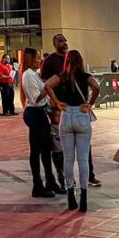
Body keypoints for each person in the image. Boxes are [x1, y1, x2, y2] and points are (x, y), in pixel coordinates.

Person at [44, 49, 99, 212]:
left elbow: (47, 85)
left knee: (68, 159)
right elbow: (96, 87)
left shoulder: (62, 76)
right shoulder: (85, 76)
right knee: (83, 160)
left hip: (66, 114)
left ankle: (70, 194)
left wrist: (56, 102)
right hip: (81, 115)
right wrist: (90, 103)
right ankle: (84, 197)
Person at [20, 47, 59, 198]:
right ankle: (38, 184)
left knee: (45, 149)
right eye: (36, 58)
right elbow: (36, 97)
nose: (39, 60)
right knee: (37, 150)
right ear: (30, 59)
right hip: (35, 113)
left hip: (40, 113)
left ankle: (50, 181)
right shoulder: (28, 75)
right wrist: (48, 86)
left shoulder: (34, 74)